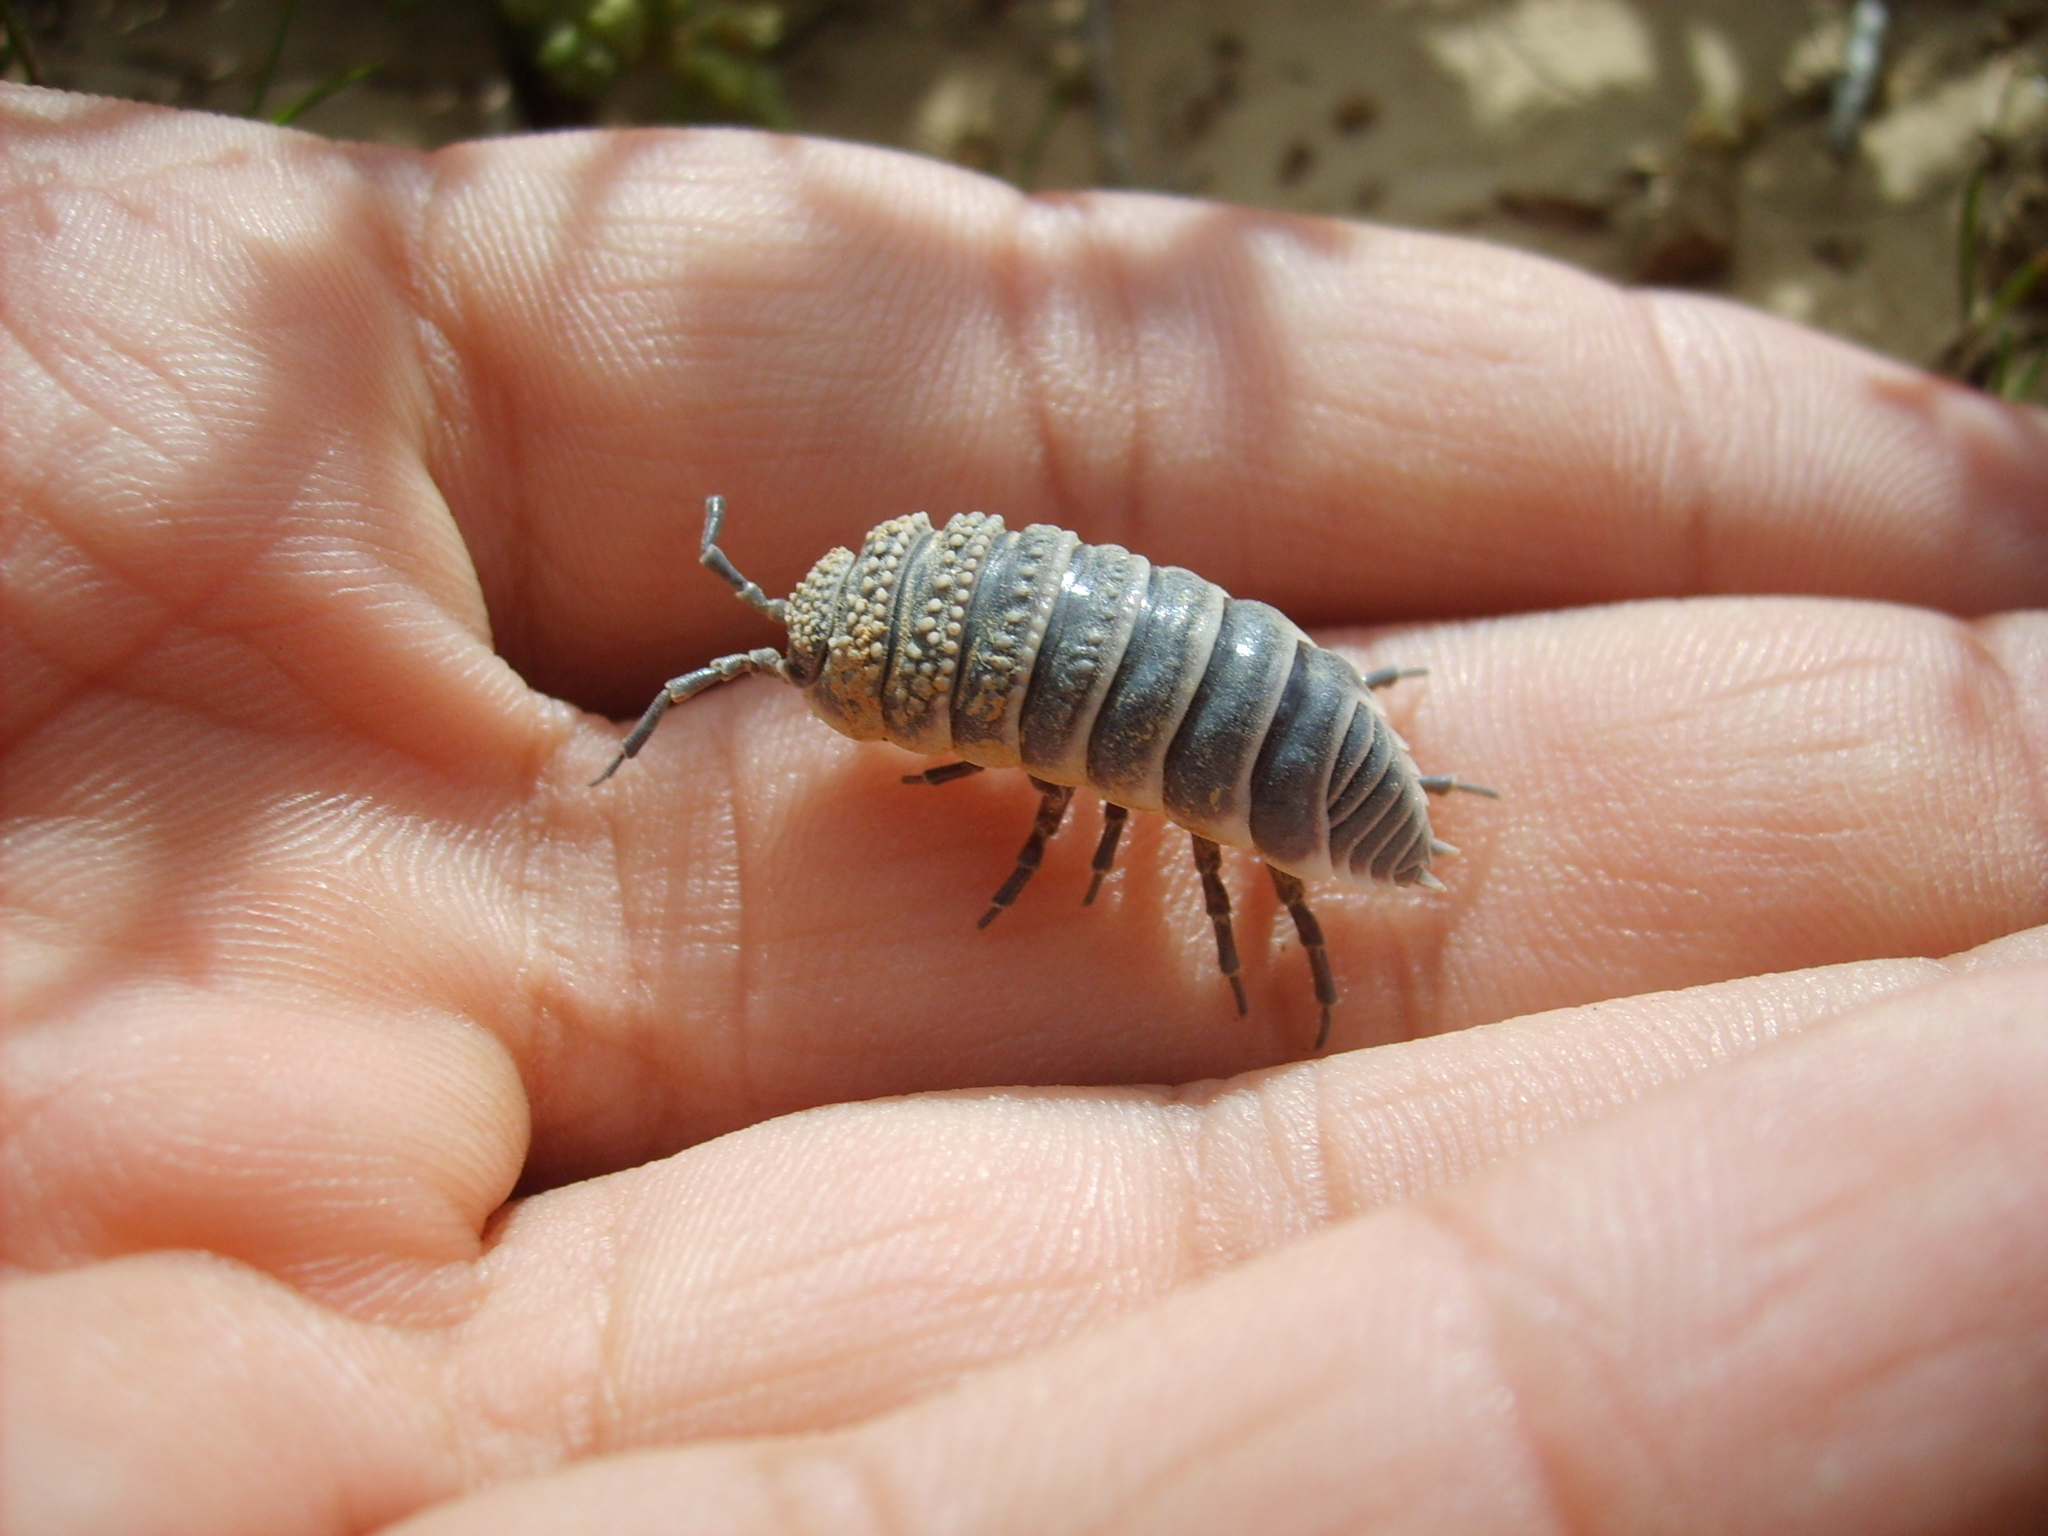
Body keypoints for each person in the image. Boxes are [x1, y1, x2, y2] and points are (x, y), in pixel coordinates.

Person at [5, 81, 2046, 1536]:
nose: (785, 662)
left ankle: (1336, 852)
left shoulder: (968, 701)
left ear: (916, 693)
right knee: (1186, 758)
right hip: (1261, 696)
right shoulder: (955, 632)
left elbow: (1047, 757)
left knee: (1191, 791)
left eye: (801, 658)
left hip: (1256, 731)